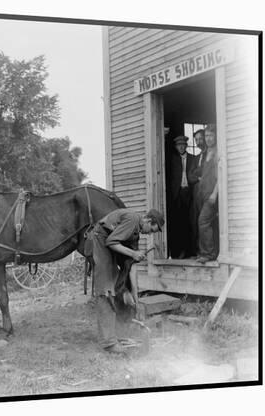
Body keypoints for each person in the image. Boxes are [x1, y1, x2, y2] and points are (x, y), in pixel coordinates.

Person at [87, 208, 164, 353]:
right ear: (148, 220)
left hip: (109, 242)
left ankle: (118, 332)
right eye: (152, 230)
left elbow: (131, 266)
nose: (150, 234)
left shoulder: (135, 235)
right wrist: (134, 253)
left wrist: (136, 298)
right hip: (101, 238)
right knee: (106, 289)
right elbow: (111, 241)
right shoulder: (133, 220)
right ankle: (109, 343)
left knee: (119, 284)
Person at [167, 135, 196, 259]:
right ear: (176, 146)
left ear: (186, 146)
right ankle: (177, 252)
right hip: (176, 194)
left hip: (188, 193)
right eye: (179, 145)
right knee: (177, 223)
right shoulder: (172, 159)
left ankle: (189, 251)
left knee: (189, 222)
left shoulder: (193, 158)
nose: (181, 147)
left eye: (183, 145)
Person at [195, 124, 219, 263]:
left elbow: (220, 176)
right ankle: (208, 252)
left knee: (203, 222)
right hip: (203, 195)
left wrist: (214, 194)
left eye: (211, 135)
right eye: (206, 136)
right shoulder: (207, 152)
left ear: (216, 136)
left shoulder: (217, 152)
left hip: (211, 195)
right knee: (207, 223)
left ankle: (208, 254)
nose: (208, 139)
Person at [188, 129, 206, 257]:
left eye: (201, 139)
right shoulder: (197, 157)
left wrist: (198, 173)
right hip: (196, 195)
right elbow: (190, 176)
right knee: (196, 222)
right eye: (196, 140)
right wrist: (198, 176)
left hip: (206, 194)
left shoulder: (210, 154)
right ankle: (199, 251)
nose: (199, 142)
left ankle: (207, 252)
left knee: (205, 222)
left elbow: (206, 172)